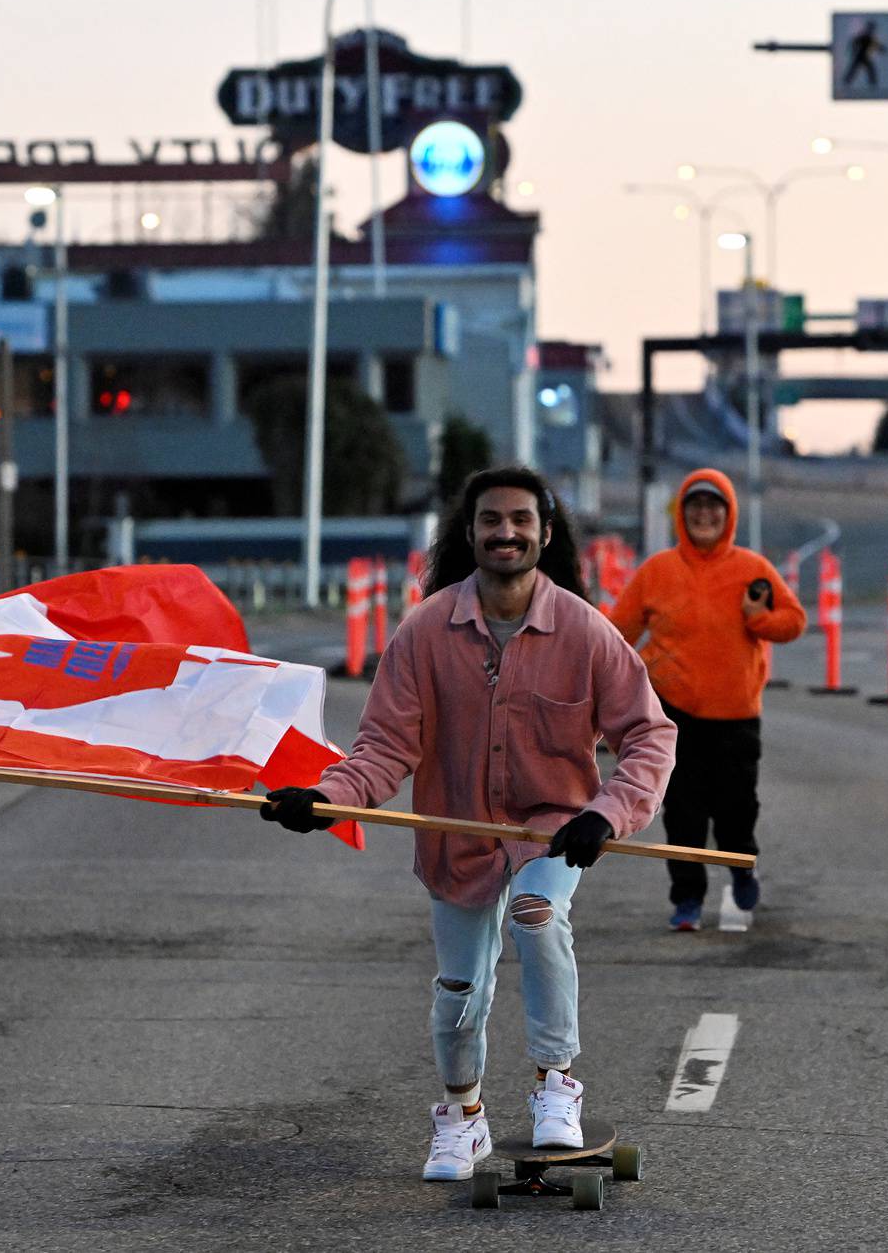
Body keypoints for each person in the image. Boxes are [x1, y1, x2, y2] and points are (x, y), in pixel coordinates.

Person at [260, 466, 676, 1183]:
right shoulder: (424, 631)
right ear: (470, 532)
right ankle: (463, 1118)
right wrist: (326, 798)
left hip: (551, 833)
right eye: (491, 520)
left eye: (520, 519)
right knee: (459, 990)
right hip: (455, 835)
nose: (505, 532)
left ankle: (556, 1084)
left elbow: (650, 734)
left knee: (537, 912)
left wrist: (606, 813)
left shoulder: (585, 630)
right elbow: (384, 748)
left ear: (546, 533)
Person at [606, 469, 807, 931]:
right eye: (694, 507)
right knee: (683, 814)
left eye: (713, 507)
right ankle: (687, 899)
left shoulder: (752, 568)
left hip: (737, 716)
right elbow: (617, 637)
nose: (703, 515)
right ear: (682, 515)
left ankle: (741, 869)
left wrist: (759, 621)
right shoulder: (658, 570)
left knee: (737, 812)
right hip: (674, 716)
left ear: (729, 514)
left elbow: (794, 621)